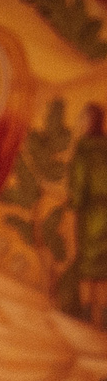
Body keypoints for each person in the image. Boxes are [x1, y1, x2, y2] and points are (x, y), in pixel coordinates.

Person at [66, 104, 107, 325]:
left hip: (90, 214)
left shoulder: (83, 148)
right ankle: (103, 316)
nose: (79, 122)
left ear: (90, 121)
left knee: (87, 266)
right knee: (104, 269)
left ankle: (87, 314)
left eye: (82, 118)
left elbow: (79, 184)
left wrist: (73, 205)